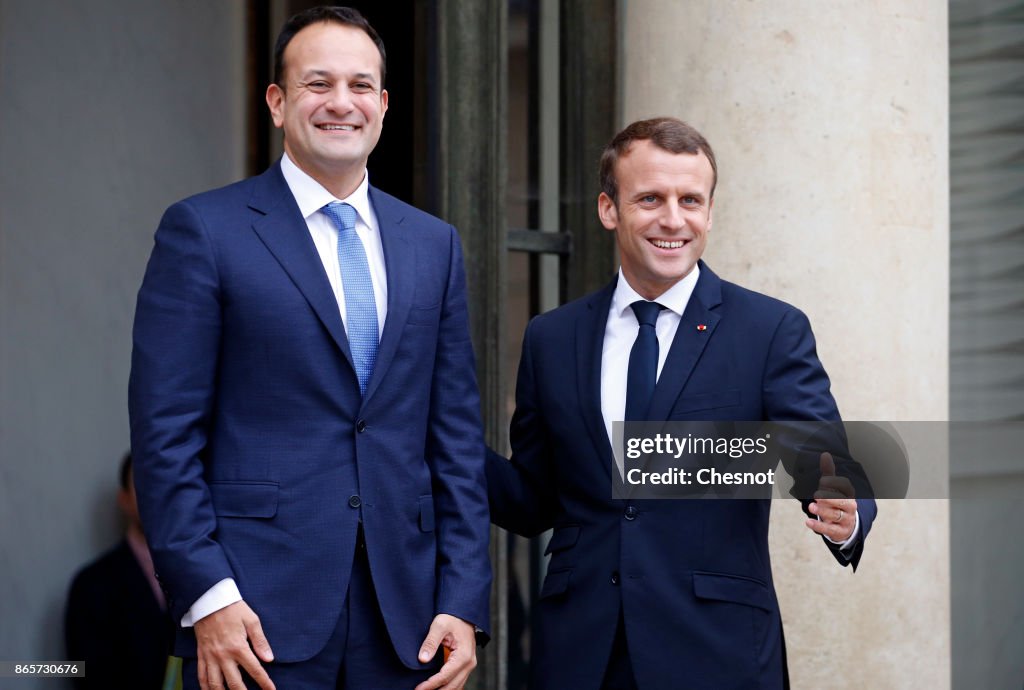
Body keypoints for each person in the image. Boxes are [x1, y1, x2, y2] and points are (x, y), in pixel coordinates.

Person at [128, 7, 490, 690]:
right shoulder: (204, 231)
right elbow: (164, 435)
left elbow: (456, 439)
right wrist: (208, 594)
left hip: (406, 620)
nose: (341, 103)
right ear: (277, 102)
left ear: (383, 105)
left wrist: (463, 596)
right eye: (317, 83)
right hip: (252, 617)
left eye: (360, 86)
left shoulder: (433, 244)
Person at [486, 117, 878, 689]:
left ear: (710, 212)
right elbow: (534, 502)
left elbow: (826, 460)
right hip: (582, 657)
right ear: (608, 209)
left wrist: (847, 511)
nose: (673, 219)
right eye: (650, 198)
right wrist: (435, 437)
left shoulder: (769, 330)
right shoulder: (553, 338)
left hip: (716, 653)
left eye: (690, 199)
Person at [64, 453, 174, 689]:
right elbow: (88, 675)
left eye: (165, 482)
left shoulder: (204, 574)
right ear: (123, 499)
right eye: (144, 483)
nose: (156, 494)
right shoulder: (92, 585)